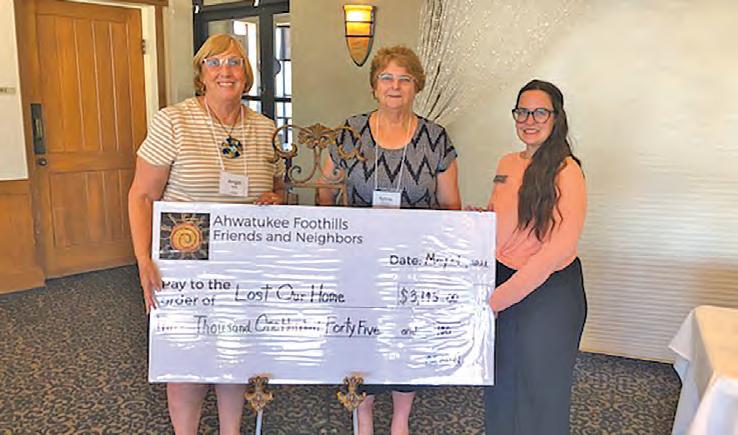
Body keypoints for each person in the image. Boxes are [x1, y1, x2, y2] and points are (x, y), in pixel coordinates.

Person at [128, 34, 284, 435]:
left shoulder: (265, 128)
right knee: (187, 363)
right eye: (213, 63)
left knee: (233, 356)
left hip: (244, 264)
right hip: (186, 262)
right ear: (201, 73)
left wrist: (275, 198)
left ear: (246, 73)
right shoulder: (173, 121)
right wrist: (143, 259)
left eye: (234, 62)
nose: (224, 71)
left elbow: (278, 188)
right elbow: (142, 195)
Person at [318, 46, 461, 435]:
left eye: (404, 79)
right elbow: (325, 191)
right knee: (361, 337)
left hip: (412, 264)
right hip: (359, 264)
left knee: (404, 340)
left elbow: (450, 205)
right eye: (387, 77)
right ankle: (363, 416)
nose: (395, 86)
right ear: (374, 85)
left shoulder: (436, 138)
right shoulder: (350, 132)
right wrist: (339, 237)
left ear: (416, 86)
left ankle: (401, 420)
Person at [483, 79, 587, 435]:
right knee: (500, 382)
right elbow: (502, 221)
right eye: (522, 112)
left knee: (540, 391)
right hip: (504, 281)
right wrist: (478, 222)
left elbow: (556, 251)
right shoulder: (507, 162)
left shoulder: (567, 171)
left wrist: (498, 299)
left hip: (548, 293)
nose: (529, 120)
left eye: (540, 112)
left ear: (556, 117)